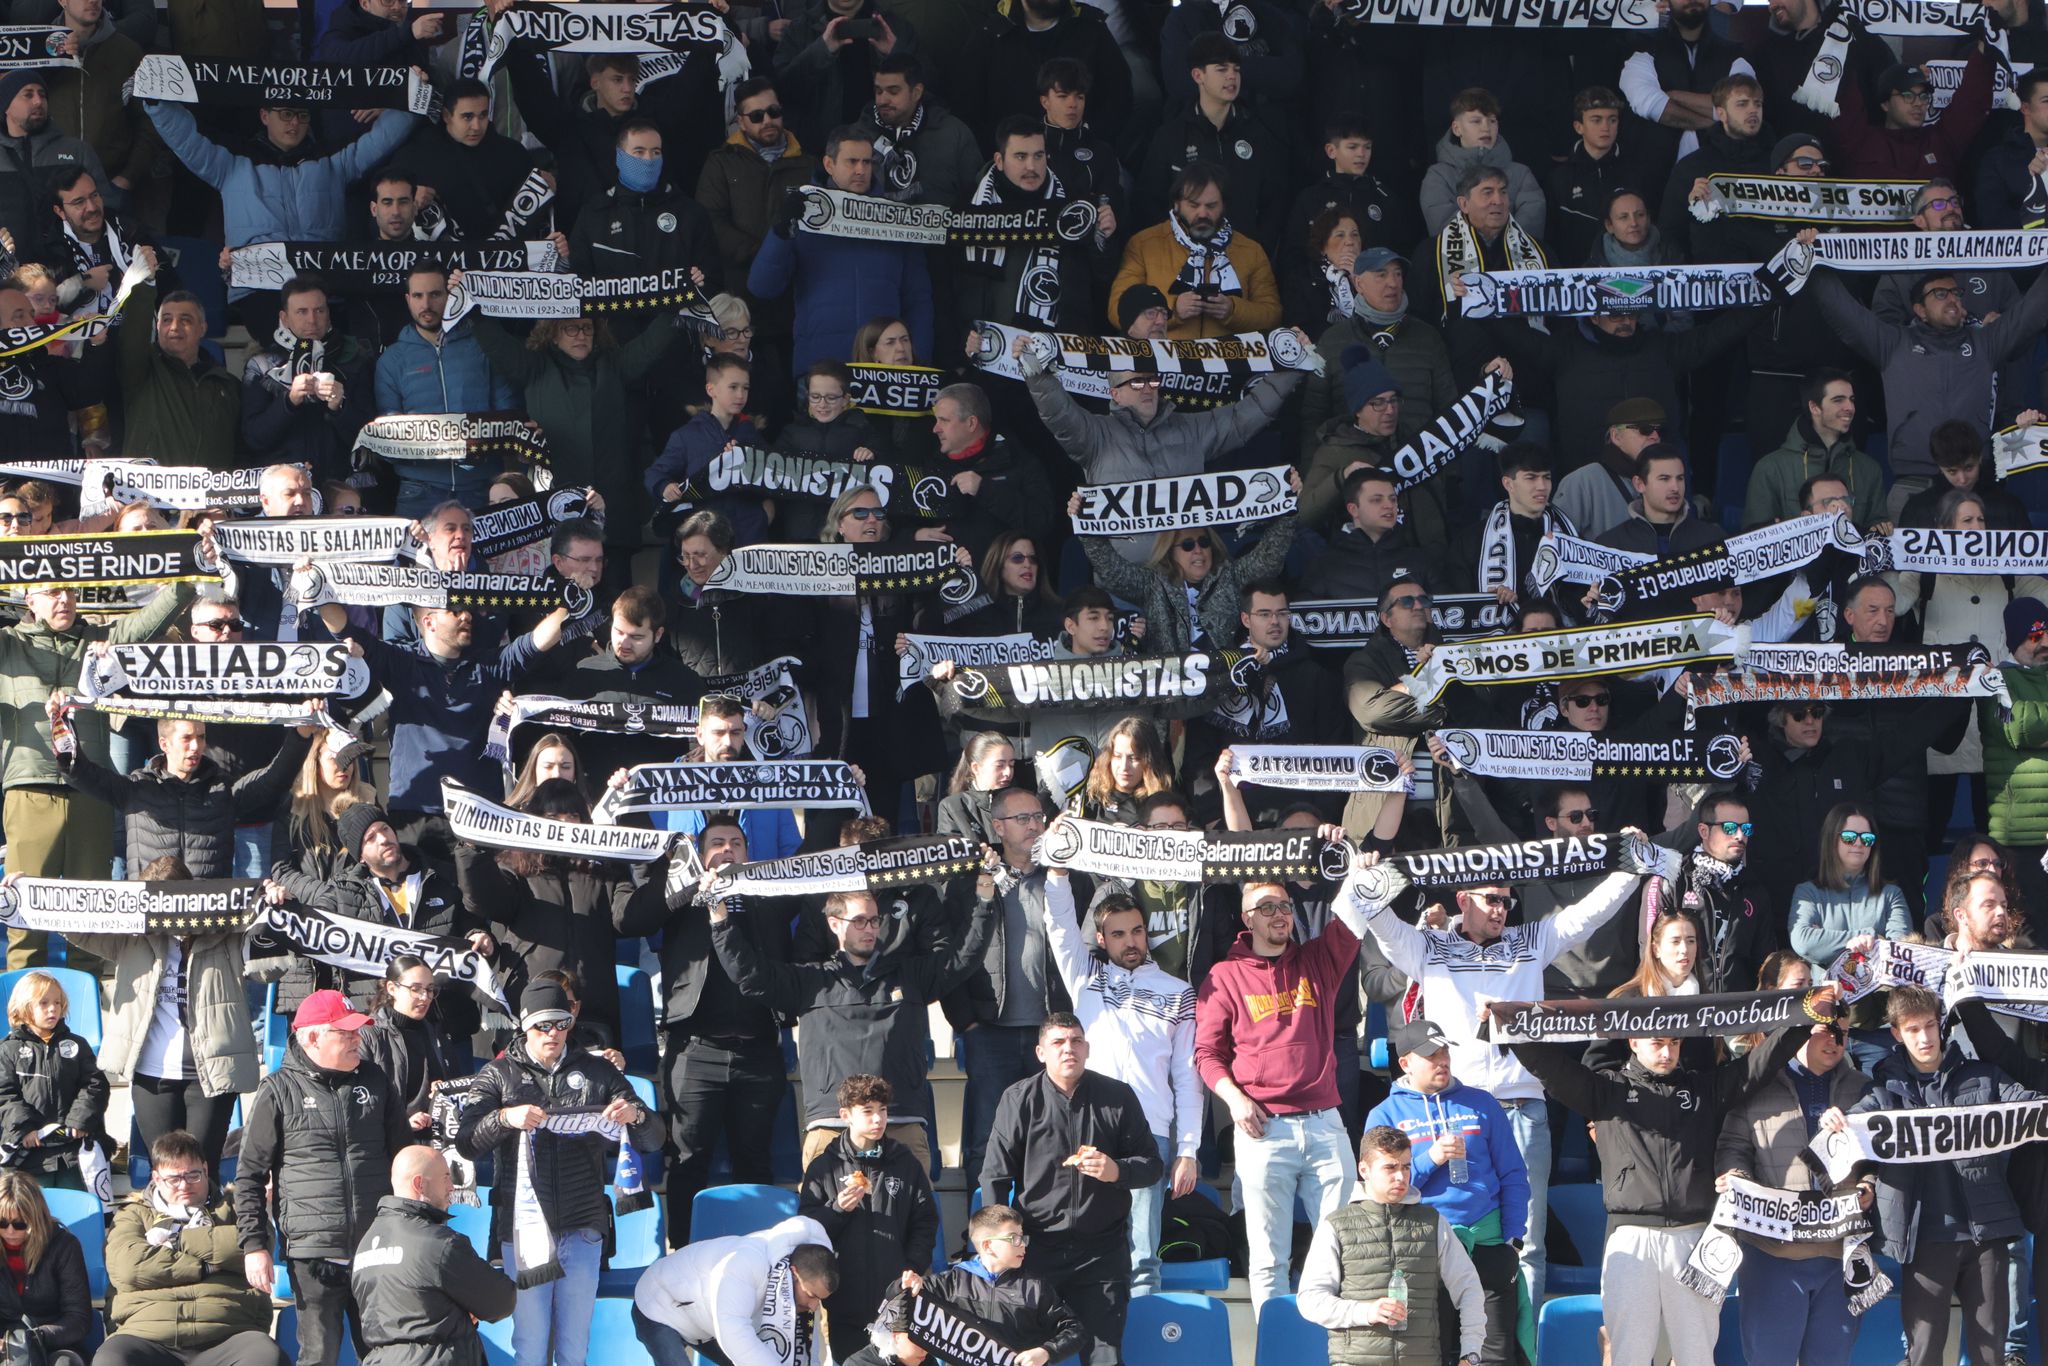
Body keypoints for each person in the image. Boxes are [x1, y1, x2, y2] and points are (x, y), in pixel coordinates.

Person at [1352, 835, 1677, 1308]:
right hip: (1454, 1111)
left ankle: (1520, 1352)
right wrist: (1367, 879)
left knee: (1528, 1245)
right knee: (1447, 1240)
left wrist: (1633, 868)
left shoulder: (1530, 941)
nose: (1502, 909)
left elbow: (1588, 914)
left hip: (1521, 1108)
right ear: (1463, 900)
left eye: (1508, 900)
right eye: (1491, 900)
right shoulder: (1430, 947)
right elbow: (1382, 925)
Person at [1508, 996, 1832, 1366]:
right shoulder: (1606, 1090)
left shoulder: (1703, 1089)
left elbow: (1759, 1064)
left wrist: (1805, 1018)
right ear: (1632, 1041)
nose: (1667, 1052)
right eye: (1657, 1043)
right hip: (1629, 1238)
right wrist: (1508, 1028)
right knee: (1630, 1353)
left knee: (1696, 1356)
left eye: (1674, 1043)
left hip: (1694, 1237)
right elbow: (1551, 1067)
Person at [710, 865, 998, 1174]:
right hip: (832, 1126)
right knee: (828, 1221)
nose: (870, 929)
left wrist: (983, 897)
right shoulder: (811, 981)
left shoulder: (911, 975)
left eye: (874, 920)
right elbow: (750, 974)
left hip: (901, 1123)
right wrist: (719, 920)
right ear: (833, 924)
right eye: (859, 921)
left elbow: (965, 957)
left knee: (913, 1223)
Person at [1194, 840, 1376, 1313]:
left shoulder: (1317, 960)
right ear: (1246, 918)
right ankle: (1274, 1351)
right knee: (1268, 1258)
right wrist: (1233, 1099)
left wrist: (1359, 868)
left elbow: (1354, 916)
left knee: (1343, 1250)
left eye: (1285, 906)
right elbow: (1207, 1054)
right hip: (1263, 1128)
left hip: (1324, 1124)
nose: (1279, 915)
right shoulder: (1224, 976)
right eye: (1267, 907)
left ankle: (1336, 1349)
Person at [1821, 985, 2044, 1366]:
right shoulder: (1885, 1089)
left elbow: (2026, 1105)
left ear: (1941, 1026)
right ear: (1896, 1034)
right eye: (1912, 1029)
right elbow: (1858, 1124)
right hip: (1923, 1239)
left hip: (1986, 1235)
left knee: (1990, 1354)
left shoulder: (1984, 1076)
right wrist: (1835, 1121)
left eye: (1929, 1026)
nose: (1924, 1038)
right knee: (1923, 1353)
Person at [455, 979, 662, 1366]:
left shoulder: (598, 1071)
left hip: (582, 1222)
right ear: (524, 1025)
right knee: (531, 1346)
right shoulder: (497, 1075)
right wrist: (504, 1118)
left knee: (574, 1347)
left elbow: (654, 1139)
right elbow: (467, 1141)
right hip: (523, 1227)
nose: (552, 1033)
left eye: (561, 1023)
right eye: (542, 1025)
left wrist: (635, 1116)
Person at [1008, 325, 1304, 565]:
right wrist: (1036, 373)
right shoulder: (1095, 435)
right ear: (1115, 394)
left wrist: (1292, 363)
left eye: (1152, 381)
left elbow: (1244, 418)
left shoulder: (1191, 429)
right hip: (1126, 584)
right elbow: (1059, 414)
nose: (1147, 389)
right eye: (1136, 383)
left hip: (1188, 575)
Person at [1039, 869, 1197, 1298]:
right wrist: (1056, 872)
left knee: (1144, 1257)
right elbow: (1059, 925)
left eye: (1138, 931)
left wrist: (1188, 1150)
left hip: (1151, 1135)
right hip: (1089, 1129)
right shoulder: (1085, 978)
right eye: (1119, 934)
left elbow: (1187, 1078)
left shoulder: (1179, 992)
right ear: (1102, 939)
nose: (1131, 941)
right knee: (1088, 1248)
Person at [52, 855, 257, 1177]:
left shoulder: (226, 935)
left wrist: (273, 911)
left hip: (211, 1077)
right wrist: (24, 892)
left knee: (202, 1173)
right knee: (164, 1174)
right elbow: (76, 927)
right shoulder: (132, 938)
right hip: (152, 1077)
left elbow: (272, 966)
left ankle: (206, 1229)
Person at [235, 989, 410, 1366]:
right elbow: (249, 1175)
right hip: (313, 1252)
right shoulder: (278, 1091)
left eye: (357, 1032)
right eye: (345, 1033)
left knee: (388, 1355)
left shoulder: (376, 1081)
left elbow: (403, 1157)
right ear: (313, 1037)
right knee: (320, 1356)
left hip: (375, 1246)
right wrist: (254, 1245)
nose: (356, 1040)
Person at [979, 1013, 1162, 1366]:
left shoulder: (1118, 1096)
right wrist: (999, 1243)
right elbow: (995, 1177)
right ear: (1040, 1052)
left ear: (1088, 1049)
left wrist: (1116, 1171)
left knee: (1106, 1356)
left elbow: (1152, 1166)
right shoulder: (1019, 1099)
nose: (1069, 1049)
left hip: (1102, 1253)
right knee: (1025, 1356)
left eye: (1076, 1041)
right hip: (1036, 1250)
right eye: (1058, 1043)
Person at [1810, 259, 2048, 521]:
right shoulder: (1892, 344)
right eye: (1941, 294)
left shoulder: (1985, 343)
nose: (1952, 299)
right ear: (1919, 309)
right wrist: (1815, 263)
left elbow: (2032, 311)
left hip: (1971, 485)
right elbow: (1844, 312)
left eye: (1957, 293)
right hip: (1912, 486)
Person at [1713, 1003, 1874, 1366]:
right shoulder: (1755, 1083)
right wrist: (1735, 1175)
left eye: (1843, 1034)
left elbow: (1878, 1156)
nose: (1835, 1042)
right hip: (1772, 1254)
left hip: (1839, 1254)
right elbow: (1732, 1146)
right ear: (1801, 1030)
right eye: (1826, 1031)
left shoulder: (1864, 1090)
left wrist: (1867, 1184)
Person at [1362, 1019, 1527, 1365]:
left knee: (1493, 1354)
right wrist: (1431, 1158)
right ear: (1405, 1062)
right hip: (1426, 1244)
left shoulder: (1481, 1103)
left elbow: (1513, 1173)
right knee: (1431, 1352)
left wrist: (1513, 1236)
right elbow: (1383, 1189)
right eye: (1430, 1055)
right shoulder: (1385, 1114)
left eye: (1444, 1051)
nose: (1442, 1060)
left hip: (1487, 1240)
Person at [748, 125, 934, 374]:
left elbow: (918, 300)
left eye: (867, 162)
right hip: (820, 369)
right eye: (852, 161)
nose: (861, 170)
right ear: (828, 164)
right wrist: (780, 232)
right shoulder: (804, 216)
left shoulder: (896, 221)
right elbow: (762, 287)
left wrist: (919, 362)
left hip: (884, 369)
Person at [1298, 1124, 1487, 1366]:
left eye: (1406, 1167)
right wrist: (1366, 1312)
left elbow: (1469, 1287)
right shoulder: (1335, 1225)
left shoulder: (1434, 1223)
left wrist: (1471, 1354)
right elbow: (1310, 1300)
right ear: (1364, 1170)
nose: (1401, 1176)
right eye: (1390, 1167)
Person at [99, 1129, 290, 1366]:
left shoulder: (236, 1207)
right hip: (147, 1333)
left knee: (268, 1357)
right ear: (156, 1178)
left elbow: (254, 1245)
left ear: (206, 1170)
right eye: (174, 1179)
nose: (184, 1185)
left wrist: (176, 1240)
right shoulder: (133, 1214)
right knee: (111, 1360)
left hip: (229, 1333)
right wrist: (207, 1267)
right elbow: (129, 1267)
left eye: (193, 1175)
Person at [795, 1074, 939, 1363]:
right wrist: (837, 1210)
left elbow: (925, 1222)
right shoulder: (824, 1168)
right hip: (847, 1306)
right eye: (868, 1111)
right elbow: (808, 1232)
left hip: (899, 1305)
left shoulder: (905, 1162)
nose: (878, 1119)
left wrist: (911, 1267)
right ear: (845, 1115)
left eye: (882, 1110)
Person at [1077, 481, 1298, 655]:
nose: (1198, 551)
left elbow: (1269, 557)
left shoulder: (1230, 576)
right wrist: (1084, 518)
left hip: (1222, 690)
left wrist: (1288, 504)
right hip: (1172, 692)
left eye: (1204, 542)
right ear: (1171, 551)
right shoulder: (1153, 584)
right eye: (1188, 545)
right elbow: (1110, 569)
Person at [854, 1204, 1083, 1366]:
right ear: (987, 1245)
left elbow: (1075, 1331)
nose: (1022, 1244)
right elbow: (900, 1298)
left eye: (1023, 1237)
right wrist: (905, 1284)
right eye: (1014, 1238)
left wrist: (1045, 1352)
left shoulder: (1035, 1287)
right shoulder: (952, 1282)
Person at [370, 264, 518, 516]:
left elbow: (508, 413)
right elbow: (388, 435)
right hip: (418, 490)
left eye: (435, 294)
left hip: (481, 486)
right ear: (407, 299)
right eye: (418, 296)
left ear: (451, 297)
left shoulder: (482, 347)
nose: (426, 304)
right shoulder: (392, 360)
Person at [350, 1146, 516, 1366]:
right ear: (419, 1184)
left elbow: (404, 1313)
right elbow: (501, 1300)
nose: (451, 1186)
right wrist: (465, 1311)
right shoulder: (439, 1243)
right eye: (446, 1177)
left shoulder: (366, 1245)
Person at [1136, 35, 1285, 249]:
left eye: (1236, 69)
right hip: (1183, 259)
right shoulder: (1170, 136)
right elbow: (1149, 201)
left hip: (1244, 261)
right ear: (1198, 75)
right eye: (1222, 69)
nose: (1232, 76)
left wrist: (1258, 248)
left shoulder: (1258, 133)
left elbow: (1275, 201)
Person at [1110, 162, 1282, 342]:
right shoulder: (1144, 244)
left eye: (1211, 206)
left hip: (1232, 364)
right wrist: (1172, 311)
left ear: (1224, 206)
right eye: (1193, 205)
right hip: (1164, 363)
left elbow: (1272, 316)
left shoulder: (1251, 251)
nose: (1202, 213)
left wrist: (1233, 310)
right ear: (1176, 204)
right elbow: (1117, 311)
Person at [630, 1218, 836, 1366]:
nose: (813, 1306)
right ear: (793, 1272)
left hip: (707, 1319)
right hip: (661, 1305)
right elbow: (735, 1334)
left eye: (819, 1299)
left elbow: (804, 1351)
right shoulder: (745, 1264)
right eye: (811, 1295)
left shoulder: (804, 1277)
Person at [696, 77, 820, 321]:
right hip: (741, 296)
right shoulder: (721, 162)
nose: (767, 121)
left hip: (797, 293)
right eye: (756, 116)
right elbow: (709, 220)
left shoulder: (809, 164)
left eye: (774, 112)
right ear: (740, 121)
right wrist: (763, 253)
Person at [238, 277, 375, 482]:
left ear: (329, 314)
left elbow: (372, 440)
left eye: (319, 311)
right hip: (287, 489)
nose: (312, 320)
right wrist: (289, 401)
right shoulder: (262, 365)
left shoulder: (355, 360)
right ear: (284, 318)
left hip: (340, 487)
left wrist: (340, 408)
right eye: (302, 312)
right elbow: (253, 438)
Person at [0, 969, 108, 1191]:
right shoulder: (8, 1050)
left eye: (58, 1003)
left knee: (76, 1206)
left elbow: (94, 1084)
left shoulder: (77, 1045)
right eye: (44, 1003)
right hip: (29, 1153)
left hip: (73, 1151)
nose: (53, 1008)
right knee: (35, 1211)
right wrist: (26, 1129)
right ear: (23, 1007)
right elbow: (5, 1095)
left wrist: (79, 1121)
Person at [1745, 369, 1887, 530]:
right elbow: (1755, 539)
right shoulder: (1770, 468)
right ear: (1814, 407)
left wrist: (1879, 527)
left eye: (1852, 399)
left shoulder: (1869, 469)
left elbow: (1880, 534)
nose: (1850, 407)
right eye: (1838, 400)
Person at [0, 69, 109, 250]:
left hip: (73, 270)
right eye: (28, 95)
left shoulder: (77, 150)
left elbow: (107, 210)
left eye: (42, 95)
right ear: (5, 105)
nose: (38, 101)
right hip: (11, 272)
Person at [856, 54, 983, 207]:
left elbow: (978, 196)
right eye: (878, 91)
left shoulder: (953, 134)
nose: (883, 100)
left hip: (939, 229)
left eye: (893, 91)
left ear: (916, 92)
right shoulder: (857, 136)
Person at [356, 956, 465, 1132]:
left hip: (436, 1139)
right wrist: (403, 1124)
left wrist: (445, 1091)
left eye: (430, 989)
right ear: (392, 988)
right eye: (415, 989)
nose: (425, 997)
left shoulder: (436, 1033)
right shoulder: (369, 1034)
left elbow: (459, 1088)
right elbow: (361, 1101)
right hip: (390, 1144)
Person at [1420, 87, 1545, 239]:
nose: (1486, 128)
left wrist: (1501, 250)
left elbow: (1531, 223)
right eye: (1476, 121)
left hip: (1513, 259)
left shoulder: (1521, 173)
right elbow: (1443, 225)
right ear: (1457, 128)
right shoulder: (1439, 176)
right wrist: (1484, 247)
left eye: (1492, 121)